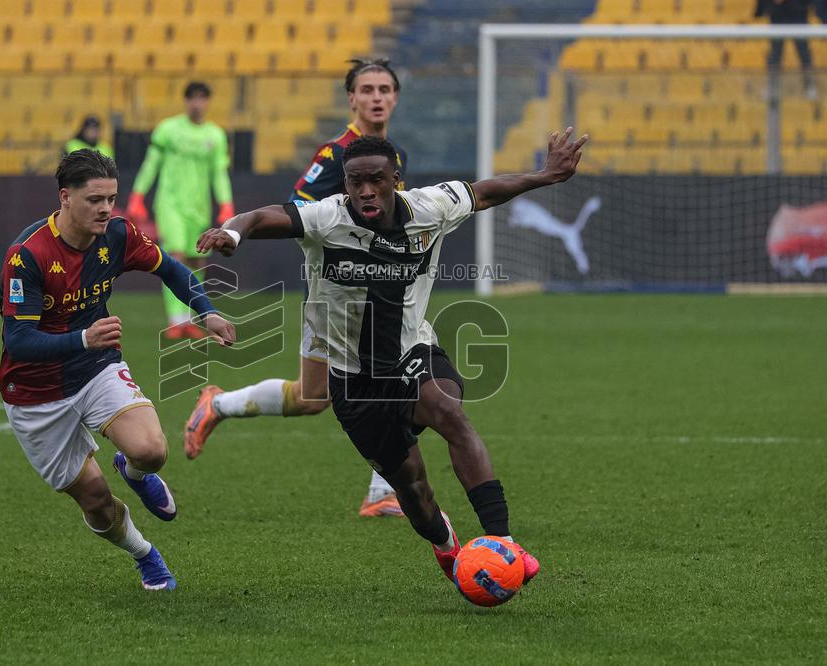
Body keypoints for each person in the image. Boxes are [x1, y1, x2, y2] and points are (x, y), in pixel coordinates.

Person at [195, 129, 588, 590]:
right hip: (354, 382)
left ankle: (504, 542)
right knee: (415, 490)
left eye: (376, 180)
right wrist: (233, 233)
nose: (365, 190)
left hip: (411, 352)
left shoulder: (430, 207)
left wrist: (544, 176)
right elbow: (261, 217)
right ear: (345, 184)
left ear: (394, 180)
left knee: (449, 412)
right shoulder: (326, 218)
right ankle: (446, 546)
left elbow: (484, 191)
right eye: (355, 181)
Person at [0, 149, 235, 590]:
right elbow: (18, 341)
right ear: (65, 198)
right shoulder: (27, 255)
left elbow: (172, 269)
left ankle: (136, 471)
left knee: (152, 450)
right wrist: (83, 337)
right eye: (95, 199)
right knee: (97, 502)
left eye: (111, 198)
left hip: (93, 368)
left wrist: (206, 311)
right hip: (35, 391)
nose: (106, 208)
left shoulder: (118, 235)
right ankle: (145, 554)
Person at [184, 59, 411, 518]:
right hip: (338, 294)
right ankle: (382, 490)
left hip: (376, 290)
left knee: (313, 397)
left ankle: (218, 404)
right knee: (391, 376)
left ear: (395, 97)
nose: (376, 97)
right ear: (351, 98)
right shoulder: (335, 156)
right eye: (366, 89)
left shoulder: (393, 155)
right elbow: (295, 211)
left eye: (385, 88)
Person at [127, 81, 234, 339]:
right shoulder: (168, 130)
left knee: (197, 259)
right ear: (185, 101)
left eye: (202, 98)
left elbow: (219, 174)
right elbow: (151, 163)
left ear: (208, 102)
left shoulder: (215, 136)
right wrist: (138, 194)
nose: (197, 103)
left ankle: (189, 318)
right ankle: (175, 319)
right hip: (170, 203)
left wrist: (225, 203)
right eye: (192, 98)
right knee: (175, 257)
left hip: (198, 207)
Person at [755, 0, 822, 99]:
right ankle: (772, 87)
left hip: (799, 13)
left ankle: (810, 87)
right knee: (775, 54)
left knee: (804, 53)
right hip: (777, 15)